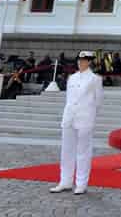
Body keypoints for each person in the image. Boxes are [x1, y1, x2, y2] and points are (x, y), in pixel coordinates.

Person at [50, 51, 103, 195]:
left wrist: (90, 116)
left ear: (90, 62)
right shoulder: (72, 78)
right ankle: (65, 181)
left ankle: (81, 183)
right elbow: (69, 98)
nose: (81, 62)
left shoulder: (95, 79)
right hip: (69, 117)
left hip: (85, 118)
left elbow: (98, 102)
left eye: (84, 60)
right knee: (66, 151)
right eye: (79, 60)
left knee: (83, 152)